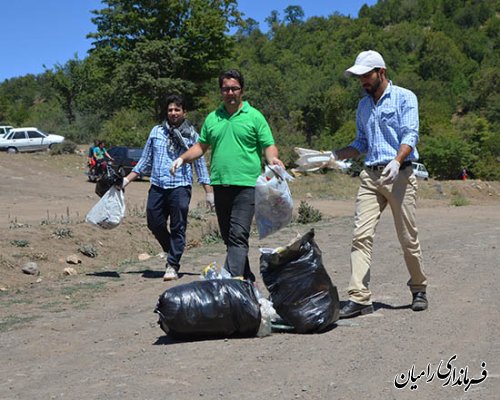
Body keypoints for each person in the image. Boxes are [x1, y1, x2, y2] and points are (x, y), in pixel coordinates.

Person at [331, 50, 428, 318]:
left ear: (380, 72)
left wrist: (397, 161)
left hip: (400, 175)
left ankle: (419, 288)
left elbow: (411, 134)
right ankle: (359, 297)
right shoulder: (362, 106)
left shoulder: (405, 97)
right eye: (359, 76)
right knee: (360, 235)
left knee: (408, 237)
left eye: (366, 75)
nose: (362, 80)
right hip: (371, 176)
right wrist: (333, 156)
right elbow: (361, 143)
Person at [170, 69, 284, 282]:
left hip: (247, 185)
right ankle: (247, 279)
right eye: (226, 89)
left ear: (242, 90)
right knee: (228, 237)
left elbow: (268, 145)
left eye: (234, 88)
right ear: (220, 91)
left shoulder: (254, 116)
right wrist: (183, 158)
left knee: (238, 235)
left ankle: (232, 282)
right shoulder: (213, 118)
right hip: (220, 185)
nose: (230, 93)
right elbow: (201, 146)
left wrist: (273, 159)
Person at [122, 94, 213, 281]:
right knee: (153, 222)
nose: (173, 113)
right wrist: (126, 181)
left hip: (180, 186)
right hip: (158, 185)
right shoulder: (157, 132)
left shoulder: (193, 136)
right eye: (170, 109)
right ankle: (172, 249)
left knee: (178, 226)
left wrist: (208, 192)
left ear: (184, 112)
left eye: (177, 109)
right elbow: (145, 160)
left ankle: (172, 264)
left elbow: (200, 165)